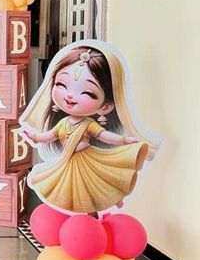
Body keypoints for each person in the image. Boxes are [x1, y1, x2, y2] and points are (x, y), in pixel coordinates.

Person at [20, 41, 160, 214]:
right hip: (68, 162)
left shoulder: (87, 124)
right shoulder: (63, 123)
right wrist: (33, 137)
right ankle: (77, 220)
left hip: (87, 159)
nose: (70, 95)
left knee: (94, 186)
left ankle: (105, 205)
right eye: (61, 85)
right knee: (71, 190)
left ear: (106, 107)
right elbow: (49, 135)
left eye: (87, 92)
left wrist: (123, 140)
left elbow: (104, 135)